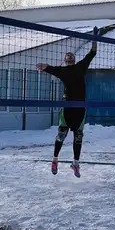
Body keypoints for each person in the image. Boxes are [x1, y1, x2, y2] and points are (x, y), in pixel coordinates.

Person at [37, 37, 97, 178]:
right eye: (67, 56)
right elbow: (49, 68)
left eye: (71, 56)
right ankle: (55, 160)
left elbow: (92, 53)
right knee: (61, 135)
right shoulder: (62, 70)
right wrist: (43, 66)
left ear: (74, 59)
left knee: (78, 136)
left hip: (80, 107)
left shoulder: (80, 67)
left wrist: (94, 40)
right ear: (65, 60)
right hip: (68, 106)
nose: (69, 57)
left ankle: (75, 164)